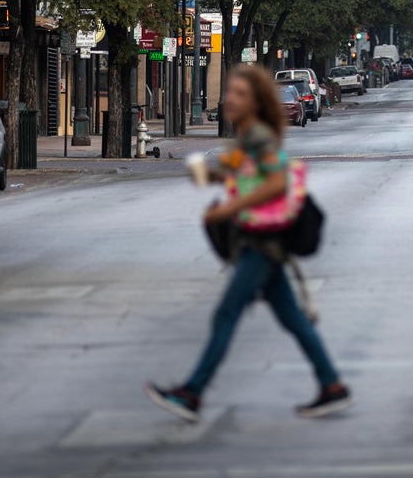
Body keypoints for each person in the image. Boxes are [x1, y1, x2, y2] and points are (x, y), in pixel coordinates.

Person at [145, 65, 351, 422]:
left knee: (226, 315)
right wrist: (209, 175)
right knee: (294, 320)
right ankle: (331, 384)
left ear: (254, 101)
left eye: (239, 94)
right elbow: (242, 174)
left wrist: (227, 209)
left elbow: (275, 183)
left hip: (260, 244)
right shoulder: (247, 138)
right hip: (263, 245)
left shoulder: (258, 136)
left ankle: (192, 392)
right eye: (230, 92)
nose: (230, 99)